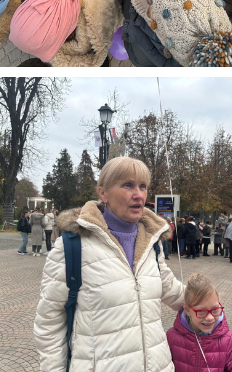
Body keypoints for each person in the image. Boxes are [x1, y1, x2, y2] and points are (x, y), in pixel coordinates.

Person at [35, 157, 183, 369]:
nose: (138, 194)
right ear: (103, 192)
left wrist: (208, 303)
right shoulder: (72, 246)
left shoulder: (152, 242)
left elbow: (171, 289)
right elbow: (49, 322)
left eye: (143, 186)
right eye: (128, 185)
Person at [165, 273, 232, 372]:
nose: (210, 318)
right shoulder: (172, 337)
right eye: (201, 311)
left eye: (215, 310)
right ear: (187, 309)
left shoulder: (228, 340)